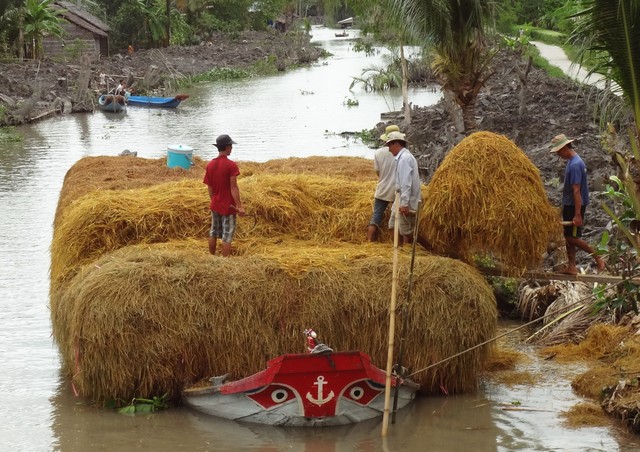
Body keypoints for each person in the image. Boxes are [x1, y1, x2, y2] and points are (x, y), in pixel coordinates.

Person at [550, 133, 605, 274]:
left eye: (558, 152)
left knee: (571, 237)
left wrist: (577, 214)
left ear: (564, 148)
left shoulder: (575, 165)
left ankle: (598, 258)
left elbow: (576, 191)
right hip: (570, 204)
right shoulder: (573, 161)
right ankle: (572, 266)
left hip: (574, 205)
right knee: (569, 237)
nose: (558, 155)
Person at [203, 134, 245, 256]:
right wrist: (239, 206)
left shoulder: (210, 164)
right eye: (231, 146)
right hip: (228, 206)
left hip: (215, 203)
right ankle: (225, 263)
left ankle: (212, 257)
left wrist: (214, 200)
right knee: (227, 234)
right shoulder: (231, 165)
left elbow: (210, 187)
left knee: (214, 231)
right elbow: (233, 187)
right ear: (227, 147)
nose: (231, 148)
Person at [385, 131, 422, 245]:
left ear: (396, 144)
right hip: (400, 198)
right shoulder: (401, 158)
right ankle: (398, 248)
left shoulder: (405, 159)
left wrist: (404, 203)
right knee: (392, 225)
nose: (389, 149)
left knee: (405, 230)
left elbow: (406, 183)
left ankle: (405, 251)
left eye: (390, 146)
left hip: (406, 200)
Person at [367, 124, 400, 242]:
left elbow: (378, 172)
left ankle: (369, 241)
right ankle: (397, 243)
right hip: (396, 190)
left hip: (382, 188)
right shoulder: (400, 153)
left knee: (376, 216)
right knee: (397, 217)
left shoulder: (378, 153)